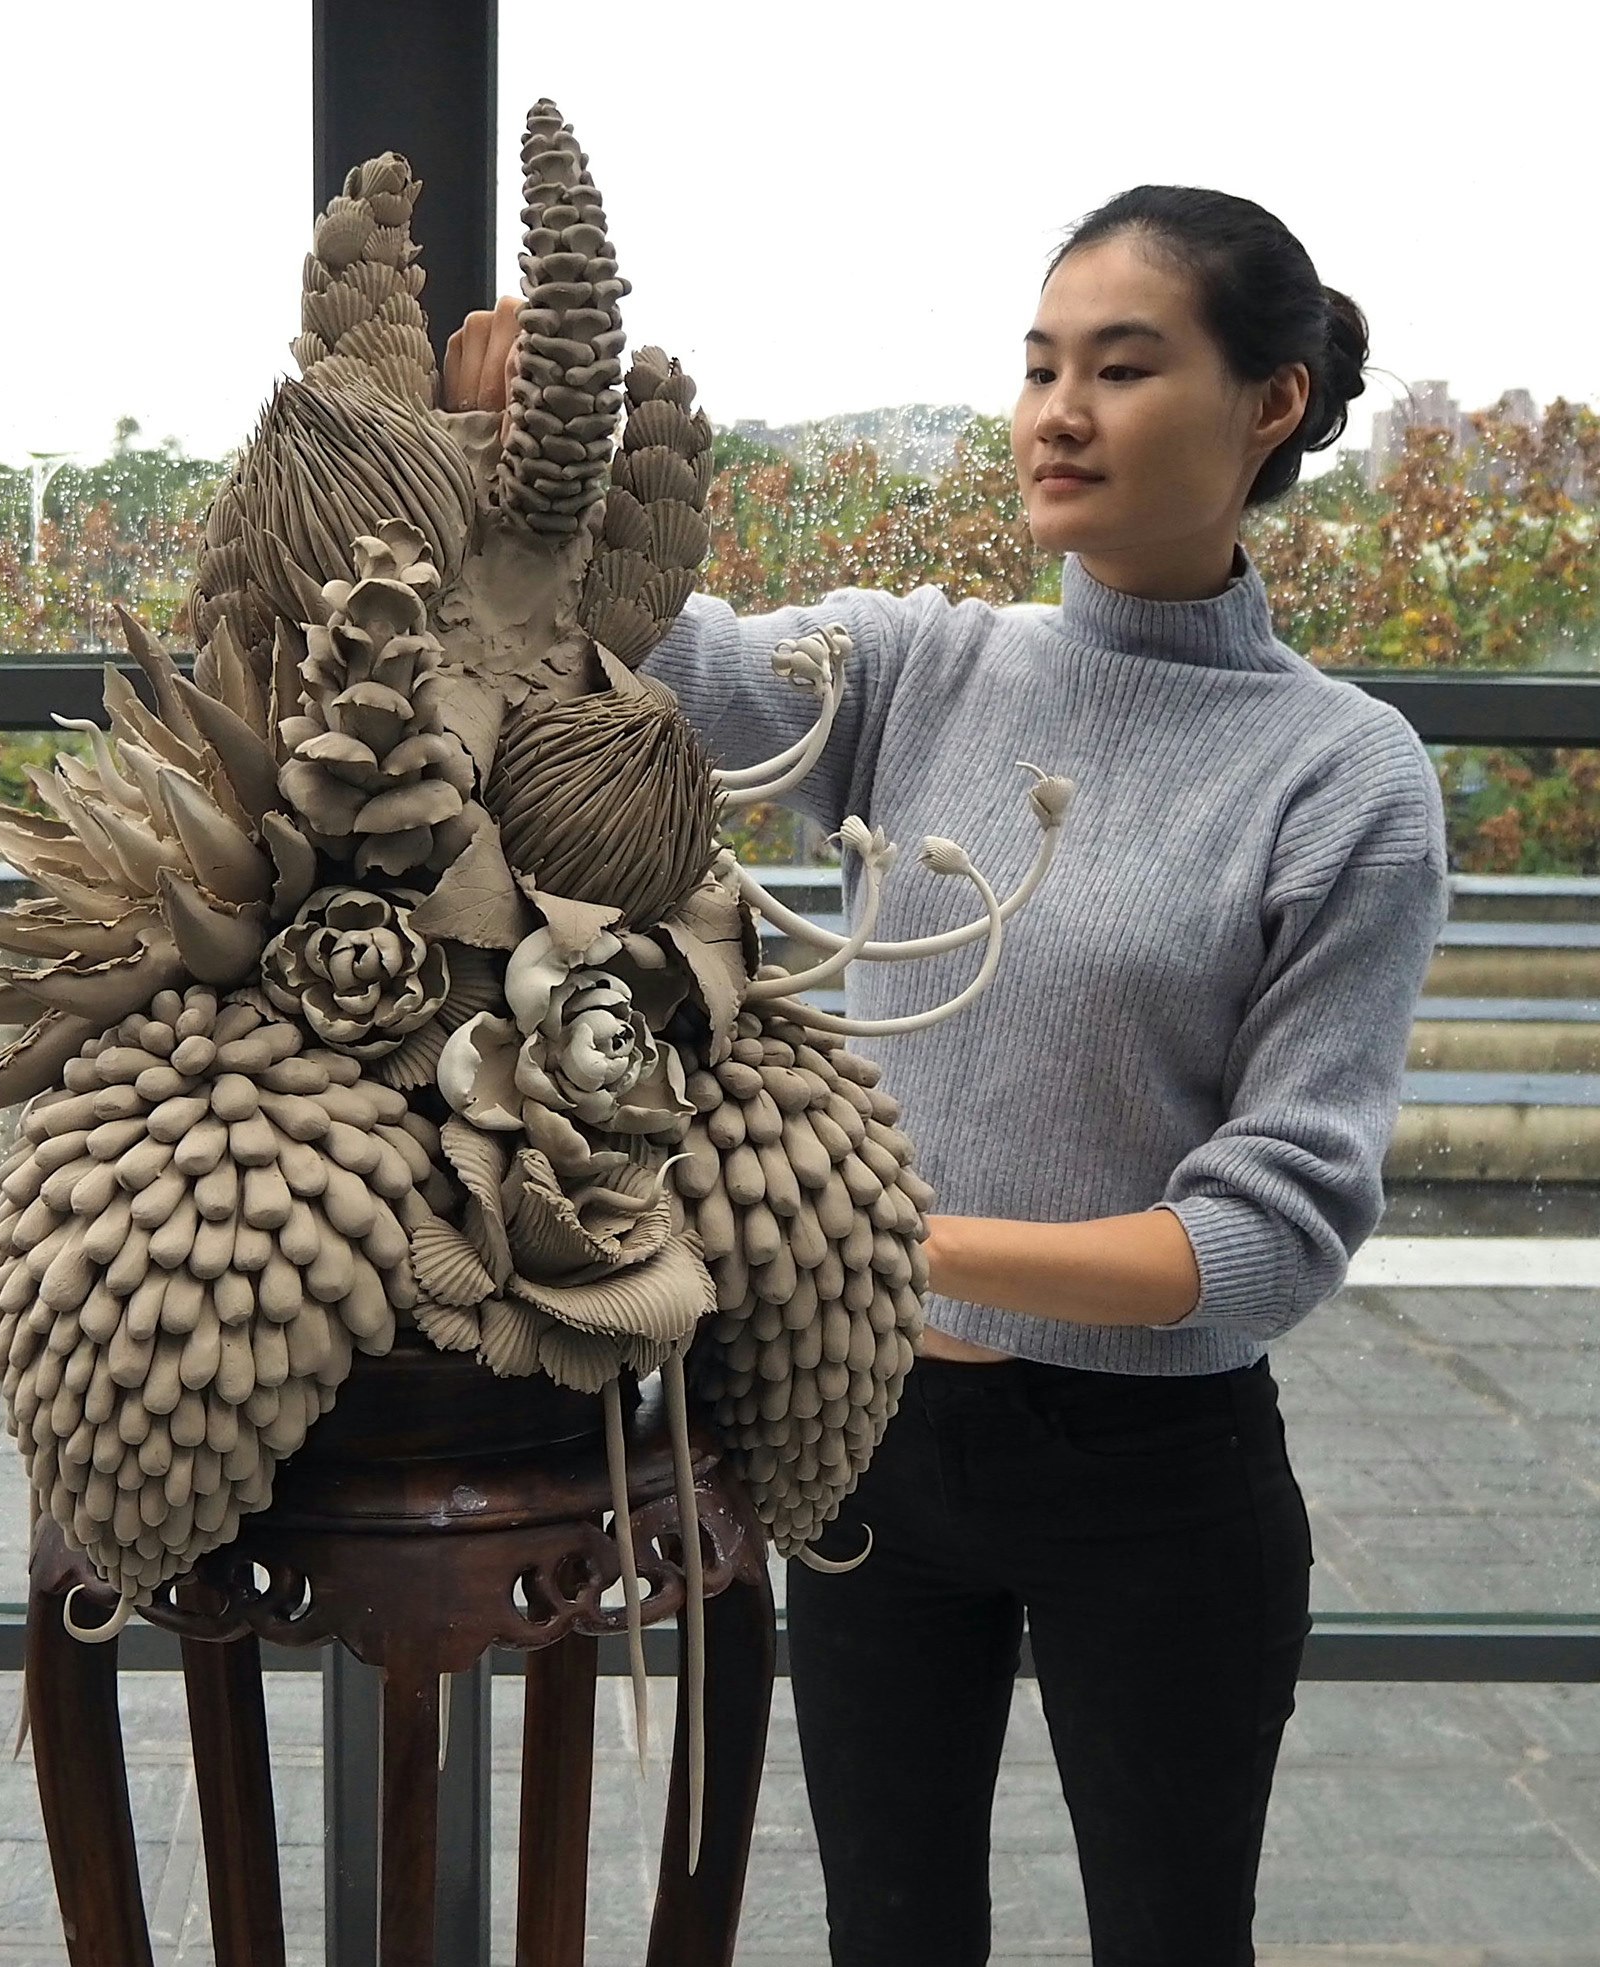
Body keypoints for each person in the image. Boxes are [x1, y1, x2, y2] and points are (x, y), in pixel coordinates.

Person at [445, 186, 1448, 1967]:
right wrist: (529, 457)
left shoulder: (1346, 776)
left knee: (1169, 1935)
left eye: (1124, 368)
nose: (1058, 411)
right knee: (888, 1934)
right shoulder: (926, 665)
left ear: (1271, 405)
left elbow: (1273, 1233)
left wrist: (887, 1231)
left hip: (1155, 1471)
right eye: (1041, 363)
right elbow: (666, 674)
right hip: (867, 1442)